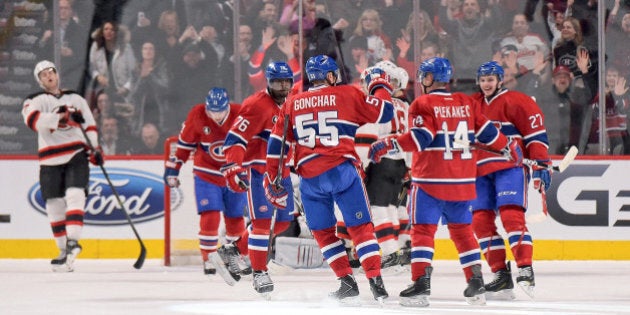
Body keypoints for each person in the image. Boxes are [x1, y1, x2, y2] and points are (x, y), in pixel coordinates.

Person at [368, 57, 522, 307]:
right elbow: (489, 134)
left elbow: (420, 138)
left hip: (430, 181)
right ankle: (476, 282)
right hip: (462, 181)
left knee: (423, 232)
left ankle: (420, 285)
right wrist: (510, 146)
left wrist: (389, 143)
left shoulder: (422, 103)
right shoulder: (467, 102)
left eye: (424, 77)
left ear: (429, 78)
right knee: (462, 232)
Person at [264, 55, 394, 304]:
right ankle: (376, 282)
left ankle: (346, 281)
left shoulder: (292, 102)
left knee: (322, 232)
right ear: (332, 76)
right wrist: (379, 84)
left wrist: (273, 177)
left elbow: (276, 146)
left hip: (310, 178)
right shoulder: (347, 94)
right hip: (343, 171)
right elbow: (385, 112)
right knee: (361, 228)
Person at [470, 61, 551, 300]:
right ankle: (501, 276)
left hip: (510, 168)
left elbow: (536, 135)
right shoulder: (473, 104)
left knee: (510, 217)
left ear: (500, 80)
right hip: (479, 171)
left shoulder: (518, 101)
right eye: (483, 80)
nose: (486, 84)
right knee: (480, 222)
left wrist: (541, 163)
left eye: (490, 79)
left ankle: (525, 268)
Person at [219, 61, 296, 297]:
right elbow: (235, 140)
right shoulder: (255, 105)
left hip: (281, 173)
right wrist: (233, 166)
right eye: (277, 82)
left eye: (286, 82)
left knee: (282, 222)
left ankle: (233, 250)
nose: (282, 87)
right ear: (268, 82)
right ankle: (260, 272)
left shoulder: (294, 104)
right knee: (262, 223)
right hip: (259, 171)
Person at [22, 60, 103, 272]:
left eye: (51, 72)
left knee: (76, 194)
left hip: (76, 153)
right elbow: (33, 120)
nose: (49, 76)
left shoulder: (76, 98)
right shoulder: (34, 100)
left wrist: (94, 149)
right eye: (43, 75)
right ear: (39, 81)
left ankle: (73, 241)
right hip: (49, 158)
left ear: (57, 75)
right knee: (54, 204)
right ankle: (62, 249)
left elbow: (89, 124)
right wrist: (62, 117)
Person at [163, 87, 247, 284]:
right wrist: (173, 169)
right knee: (210, 216)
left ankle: (234, 256)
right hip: (207, 173)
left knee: (235, 218)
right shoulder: (197, 114)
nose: (216, 115)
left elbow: (253, 142)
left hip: (234, 173)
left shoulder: (240, 113)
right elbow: (184, 146)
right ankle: (209, 258)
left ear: (227, 107)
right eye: (213, 111)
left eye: (220, 111)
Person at [354, 61, 411, 270]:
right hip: (401, 163)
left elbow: (371, 134)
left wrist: (363, 162)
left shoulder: (380, 104)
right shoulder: (406, 106)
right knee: (393, 208)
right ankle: (404, 248)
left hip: (382, 160)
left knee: (378, 209)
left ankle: (389, 253)